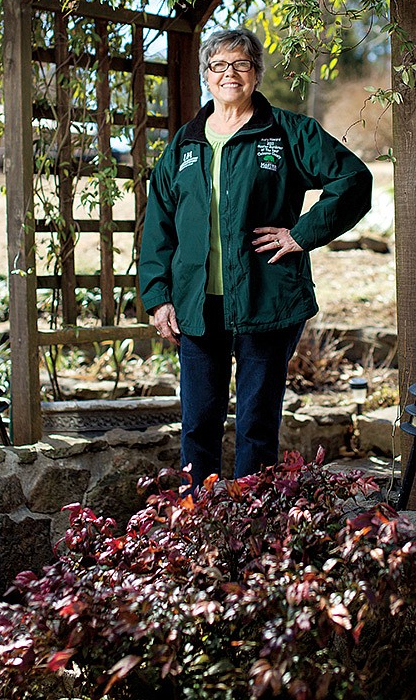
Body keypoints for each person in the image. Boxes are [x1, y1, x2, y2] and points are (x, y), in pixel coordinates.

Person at [138, 28, 372, 489]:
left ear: (256, 74)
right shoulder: (185, 144)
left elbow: (353, 180)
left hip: (267, 301)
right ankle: (197, 526)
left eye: (241, 64)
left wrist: (301, 234)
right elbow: (159, 225)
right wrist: (158, 296)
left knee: (256, 425)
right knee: (198, 425)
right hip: (197, 306)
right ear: (207, 75)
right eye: (220, 65)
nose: (230, 73)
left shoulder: (289, 132)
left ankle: (252, 526)